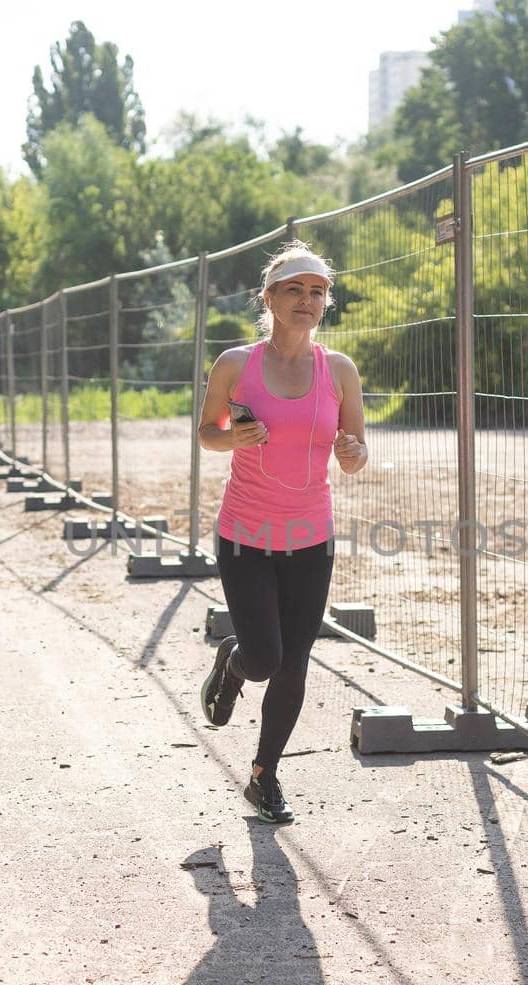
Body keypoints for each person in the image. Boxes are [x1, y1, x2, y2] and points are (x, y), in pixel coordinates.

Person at [196, 241, 368, 824]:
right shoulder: (235, 364)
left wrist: (352, 452)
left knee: (295, 660)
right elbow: (207, 433)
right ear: (269, 298)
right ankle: (233, 662)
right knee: (264, 657)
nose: (307, 300)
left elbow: (355, 453)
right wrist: (232, 438)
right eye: (294, 289)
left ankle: (264, 775)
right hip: (245, 533)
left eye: (317, 291)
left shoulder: (339, 370)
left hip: (311, 538)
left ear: (326, 302)